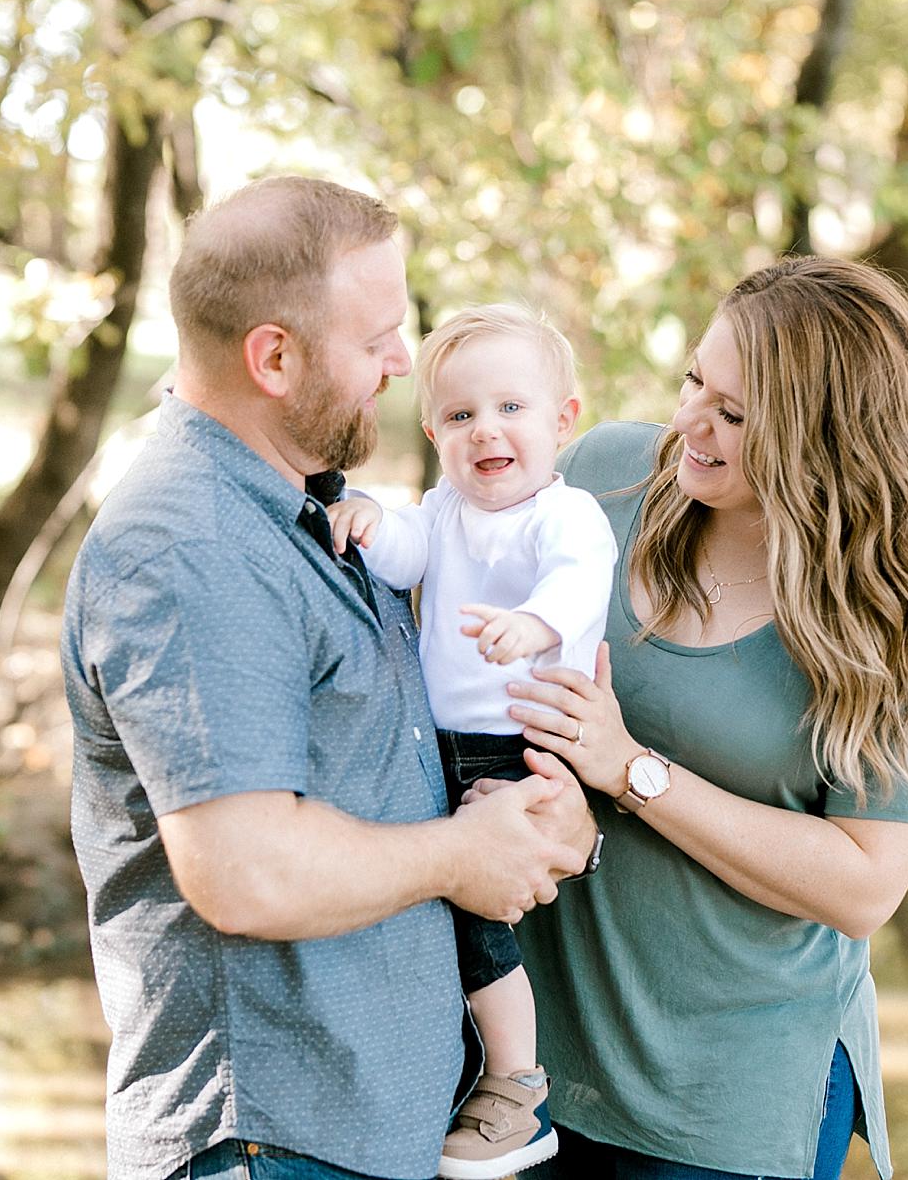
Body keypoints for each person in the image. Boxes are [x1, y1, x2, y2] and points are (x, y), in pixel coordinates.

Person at [61, 176, 596, 1180]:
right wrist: (456, 856)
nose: (403, 363)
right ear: (274, 357)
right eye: (377, 339)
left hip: (371, 1129)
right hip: (270, 1144)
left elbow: (385, 766)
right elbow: (246, 871)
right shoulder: (191, 550)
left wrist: (551, 825)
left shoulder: (310, 509)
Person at [482, 256, 908, 1180]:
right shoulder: (603, 478)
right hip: (522, 1074)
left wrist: (631, 770)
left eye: (735, 414)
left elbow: (861, 886)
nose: (691, 423)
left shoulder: (907, 608)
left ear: (829, 437)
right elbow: (453, 581)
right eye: (694, 381)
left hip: (724, 1102)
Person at [327, 305, 618, 1179]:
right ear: (434, 432)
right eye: (460, 416)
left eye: (511, 409)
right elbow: (407, 554)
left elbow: (577, 582)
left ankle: (513, 1083)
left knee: (478, 914)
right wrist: (370, 520)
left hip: (524, 747)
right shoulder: (446, 507)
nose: (485, 429)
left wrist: (534, 625)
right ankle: (458, 1061)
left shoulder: (565, 518)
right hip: (441, 741)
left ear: (562, 421)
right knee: (427, 896)